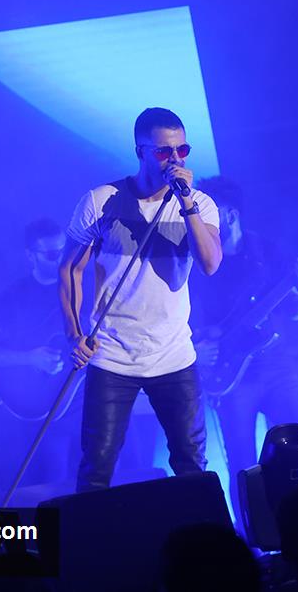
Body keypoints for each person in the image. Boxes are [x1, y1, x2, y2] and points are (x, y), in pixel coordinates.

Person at [60, 107, 222, 492]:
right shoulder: (101, 201)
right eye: (164, 152)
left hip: (173, 354)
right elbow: (70, 269)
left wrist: (186, 203)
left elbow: (210, 264)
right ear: (140, 152)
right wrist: (74, 334)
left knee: (192, 464)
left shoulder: (199, 204)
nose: (175, 160)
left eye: (182, 150)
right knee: (97, 466)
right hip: (112, 354)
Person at [187, 176, 298, 527]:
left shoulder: (268, 252)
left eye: (208, 211)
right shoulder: (197, 263)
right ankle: (255, 540)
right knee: (243, 465)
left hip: (277, 367)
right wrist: (197, 348)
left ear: (230, 215)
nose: (200, 220)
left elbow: (293, 310)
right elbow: (183, 319)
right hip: (232, 378)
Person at [0, 218, 79, 502]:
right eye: (51, 254)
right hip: (49, 412)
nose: (60, 258)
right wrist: (30, 358)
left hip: (90, 402)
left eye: (63, 250)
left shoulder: (83, 285)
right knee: (57, 495)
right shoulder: (14, 296)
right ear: (31, 255)